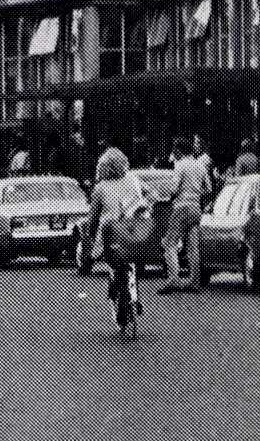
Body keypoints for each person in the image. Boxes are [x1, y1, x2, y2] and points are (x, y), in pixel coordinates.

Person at [87, 150, 152, 339]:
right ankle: (134, 296)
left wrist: (92, 238)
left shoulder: (100, 188)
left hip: (112, 235)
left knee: (113, 263)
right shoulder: (133, 180)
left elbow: (93, 218)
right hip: (134, 232)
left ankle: (117, 289)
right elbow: (147, 199)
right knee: (132, 261)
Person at [157, 136, 212, 294]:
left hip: (182, 208)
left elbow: (174, 189)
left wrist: (167, 196)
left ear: (179, 150)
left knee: (169, 243)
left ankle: (173, 279)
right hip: (196, 209)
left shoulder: (179, 165)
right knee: (192, 246)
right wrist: (195, 194)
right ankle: (194, 281)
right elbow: (208, 189)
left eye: (175, 149)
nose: (173, 152)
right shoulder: (200, 166)